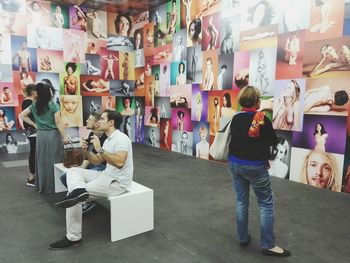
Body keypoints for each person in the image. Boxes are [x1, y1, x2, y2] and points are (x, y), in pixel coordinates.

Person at [49, 110, 133, 249]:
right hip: (105, 175)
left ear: (111, 122)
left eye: (102, 119)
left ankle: (73, 237)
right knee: (73, 171)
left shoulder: (121, 138)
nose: (99, 122)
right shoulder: (108, 139)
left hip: (116, 183)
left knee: (72, 198)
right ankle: (78, 191)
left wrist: (99, 149)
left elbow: (119, 163)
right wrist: (86, 151)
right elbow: (96, 160)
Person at [228, 85, 291, 257]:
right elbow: (272, 140)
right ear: (257, 101)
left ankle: (242, 238)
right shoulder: (261, 118)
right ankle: (268, 245)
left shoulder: (236, 117)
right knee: (265, 204)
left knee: (241, 202)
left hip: (235, 164)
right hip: (254, 166)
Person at [19, 83, 66, 193]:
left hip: (41, 136)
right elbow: (58, 122)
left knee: (42, 160)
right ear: (47, 92)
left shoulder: (34, 105)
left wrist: (35, 125)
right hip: (53, 135)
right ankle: (55, 186)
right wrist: (64, 136)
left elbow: (22, 115)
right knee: (55, 160)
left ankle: (43, 186)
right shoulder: (53, 105)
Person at [60, 111, 108, 214]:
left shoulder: (105, 138)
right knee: (64, 176)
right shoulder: (91, 134)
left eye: (89, 119)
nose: (86, 120)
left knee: (74, 176)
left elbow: (98, 159)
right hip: (92, 164)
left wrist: (80, 169)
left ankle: (85, 201)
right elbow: (86, 154)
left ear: (96, 124)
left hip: (102, 168)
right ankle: (80, 198)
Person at [18, 84, 37, 186]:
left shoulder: (29, 101)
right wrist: (34, 124)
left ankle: (33, 176)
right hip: (33, 131)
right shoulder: (28, 101)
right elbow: (24, 116)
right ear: (33, 92)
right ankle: (31, 176)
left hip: (32, 130)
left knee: (34, 152)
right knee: (33, 152)